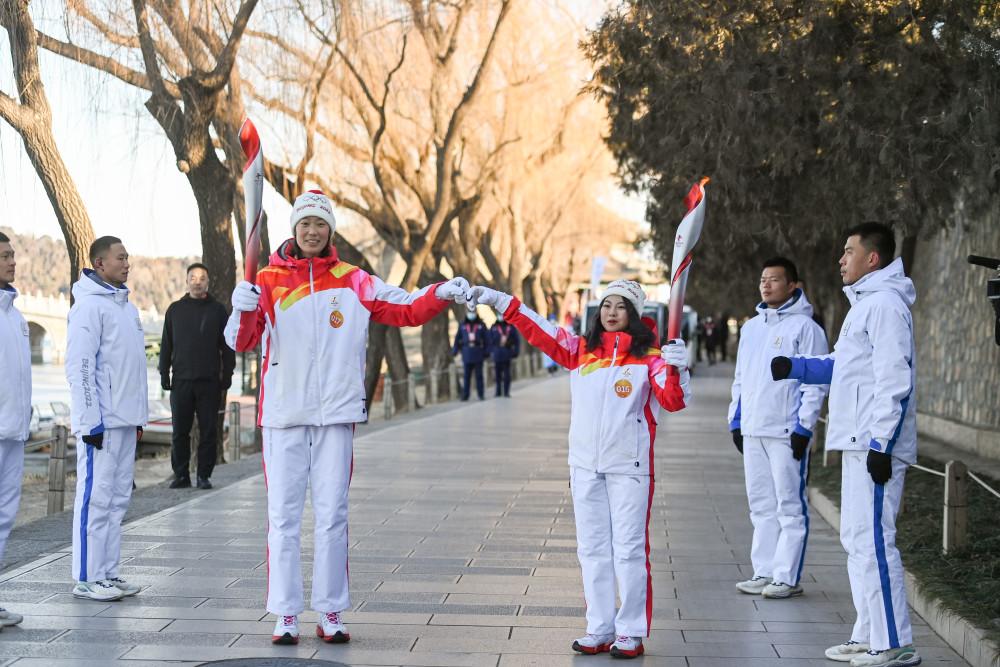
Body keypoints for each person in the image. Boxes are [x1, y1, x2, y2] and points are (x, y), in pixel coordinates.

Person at [225, 189, 471, 646]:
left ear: (330, 229)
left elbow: (407, 308)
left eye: (320, 224)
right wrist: (242, 305)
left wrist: (440, 293)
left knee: (333, 516)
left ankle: (331, 611)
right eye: (305, 225)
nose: (312, 232)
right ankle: (285, 615)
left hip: (337, 414)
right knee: (283, 519)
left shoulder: (354, 279)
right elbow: (241, 343)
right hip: (283, 416)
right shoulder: (268, 280)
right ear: (294, 231)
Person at [467, 278, 691, 659]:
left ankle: (630, 632)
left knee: (630, 551)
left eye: (621, 306)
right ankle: (600, 627)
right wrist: (498, 300)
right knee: (592, 550)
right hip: (585, 465)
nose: (612, 312)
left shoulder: (650, 358)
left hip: (630, 467)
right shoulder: (580, 351)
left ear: (634, 314)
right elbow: (537, 328)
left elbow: (672, 401)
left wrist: (678, 368)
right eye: (606, 305)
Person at [771, 223, 921, 667]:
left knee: (875, 542)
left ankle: (895, 644)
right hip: (858, 441)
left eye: (848, 251)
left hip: (875, 446)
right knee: (858, 540)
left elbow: (896, 378)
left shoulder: (887, 306)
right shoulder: (866, 305)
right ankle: (869, 633)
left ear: (871, 258)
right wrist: (796, 366)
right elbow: (844, 365)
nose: (841, 259)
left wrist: (882, 444)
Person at [728, 257, 829, 600]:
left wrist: (804, 427)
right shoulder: (752, 328)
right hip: (755, 429)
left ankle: (787, 576)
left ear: (793, 286)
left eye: (774, 279)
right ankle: (764, 571)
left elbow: (815, 383)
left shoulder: (807, 328)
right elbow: (742, 378)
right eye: (763, 279)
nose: (766, 284)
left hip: (787, 432)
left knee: (790, 504)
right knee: (760, 504)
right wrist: (737, 420)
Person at [66, 236, 147, 601]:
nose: (127, 263)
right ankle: (86, 577)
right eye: (120, 257)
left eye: (127, 257)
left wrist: (139, 417)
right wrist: (89, 422)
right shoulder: (88, 308)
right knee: (95, 498)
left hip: (126, 421)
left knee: (116, 501)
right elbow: (80, 367)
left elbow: (132, 369)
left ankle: (107, 573)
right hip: (102, 423)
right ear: (100, 263)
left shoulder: (127, 308)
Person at [159, 263, 236, 490]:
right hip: (181, 381)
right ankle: (181, 475)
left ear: (207, 282)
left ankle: (203, 475)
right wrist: (164, 372)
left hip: (209, 382)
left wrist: (227, 374)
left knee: (208, 432)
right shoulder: (175, 310)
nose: (197, 281)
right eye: (193, 277)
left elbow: (228, 347)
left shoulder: (218, 310)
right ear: (187, 281)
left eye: (202, 277)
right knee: (179, 432)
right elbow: (166, 345)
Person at [0, 232, 28, 626]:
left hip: (14, 432)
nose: (12, 261)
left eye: (12, 254)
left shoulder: (16, 314)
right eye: (5, 255)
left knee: (5, 518)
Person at [451, 310, 488, 400]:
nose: (471, 314)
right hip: (466, 353)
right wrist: (455, 350)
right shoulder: (463, 325)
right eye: (469, 311)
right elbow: (457, 339)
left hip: (478, 353)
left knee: (479, 375)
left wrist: (487, 352)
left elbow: (487, 339)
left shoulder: (481, 325)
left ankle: (481, 394)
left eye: (473, 312)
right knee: (466, 376)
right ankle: (465, 395)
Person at [488, 310, 520, 396]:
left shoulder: (511, 327)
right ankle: (498, 391)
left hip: (507, 353)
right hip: (497, 353)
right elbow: (489, 340)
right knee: (497, 374)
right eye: (499, 315)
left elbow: (516, 341)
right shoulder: (493, 327)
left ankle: (506, 391)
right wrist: (491, 351)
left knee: (507, 374)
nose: (500, 316)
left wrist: (515, 351)